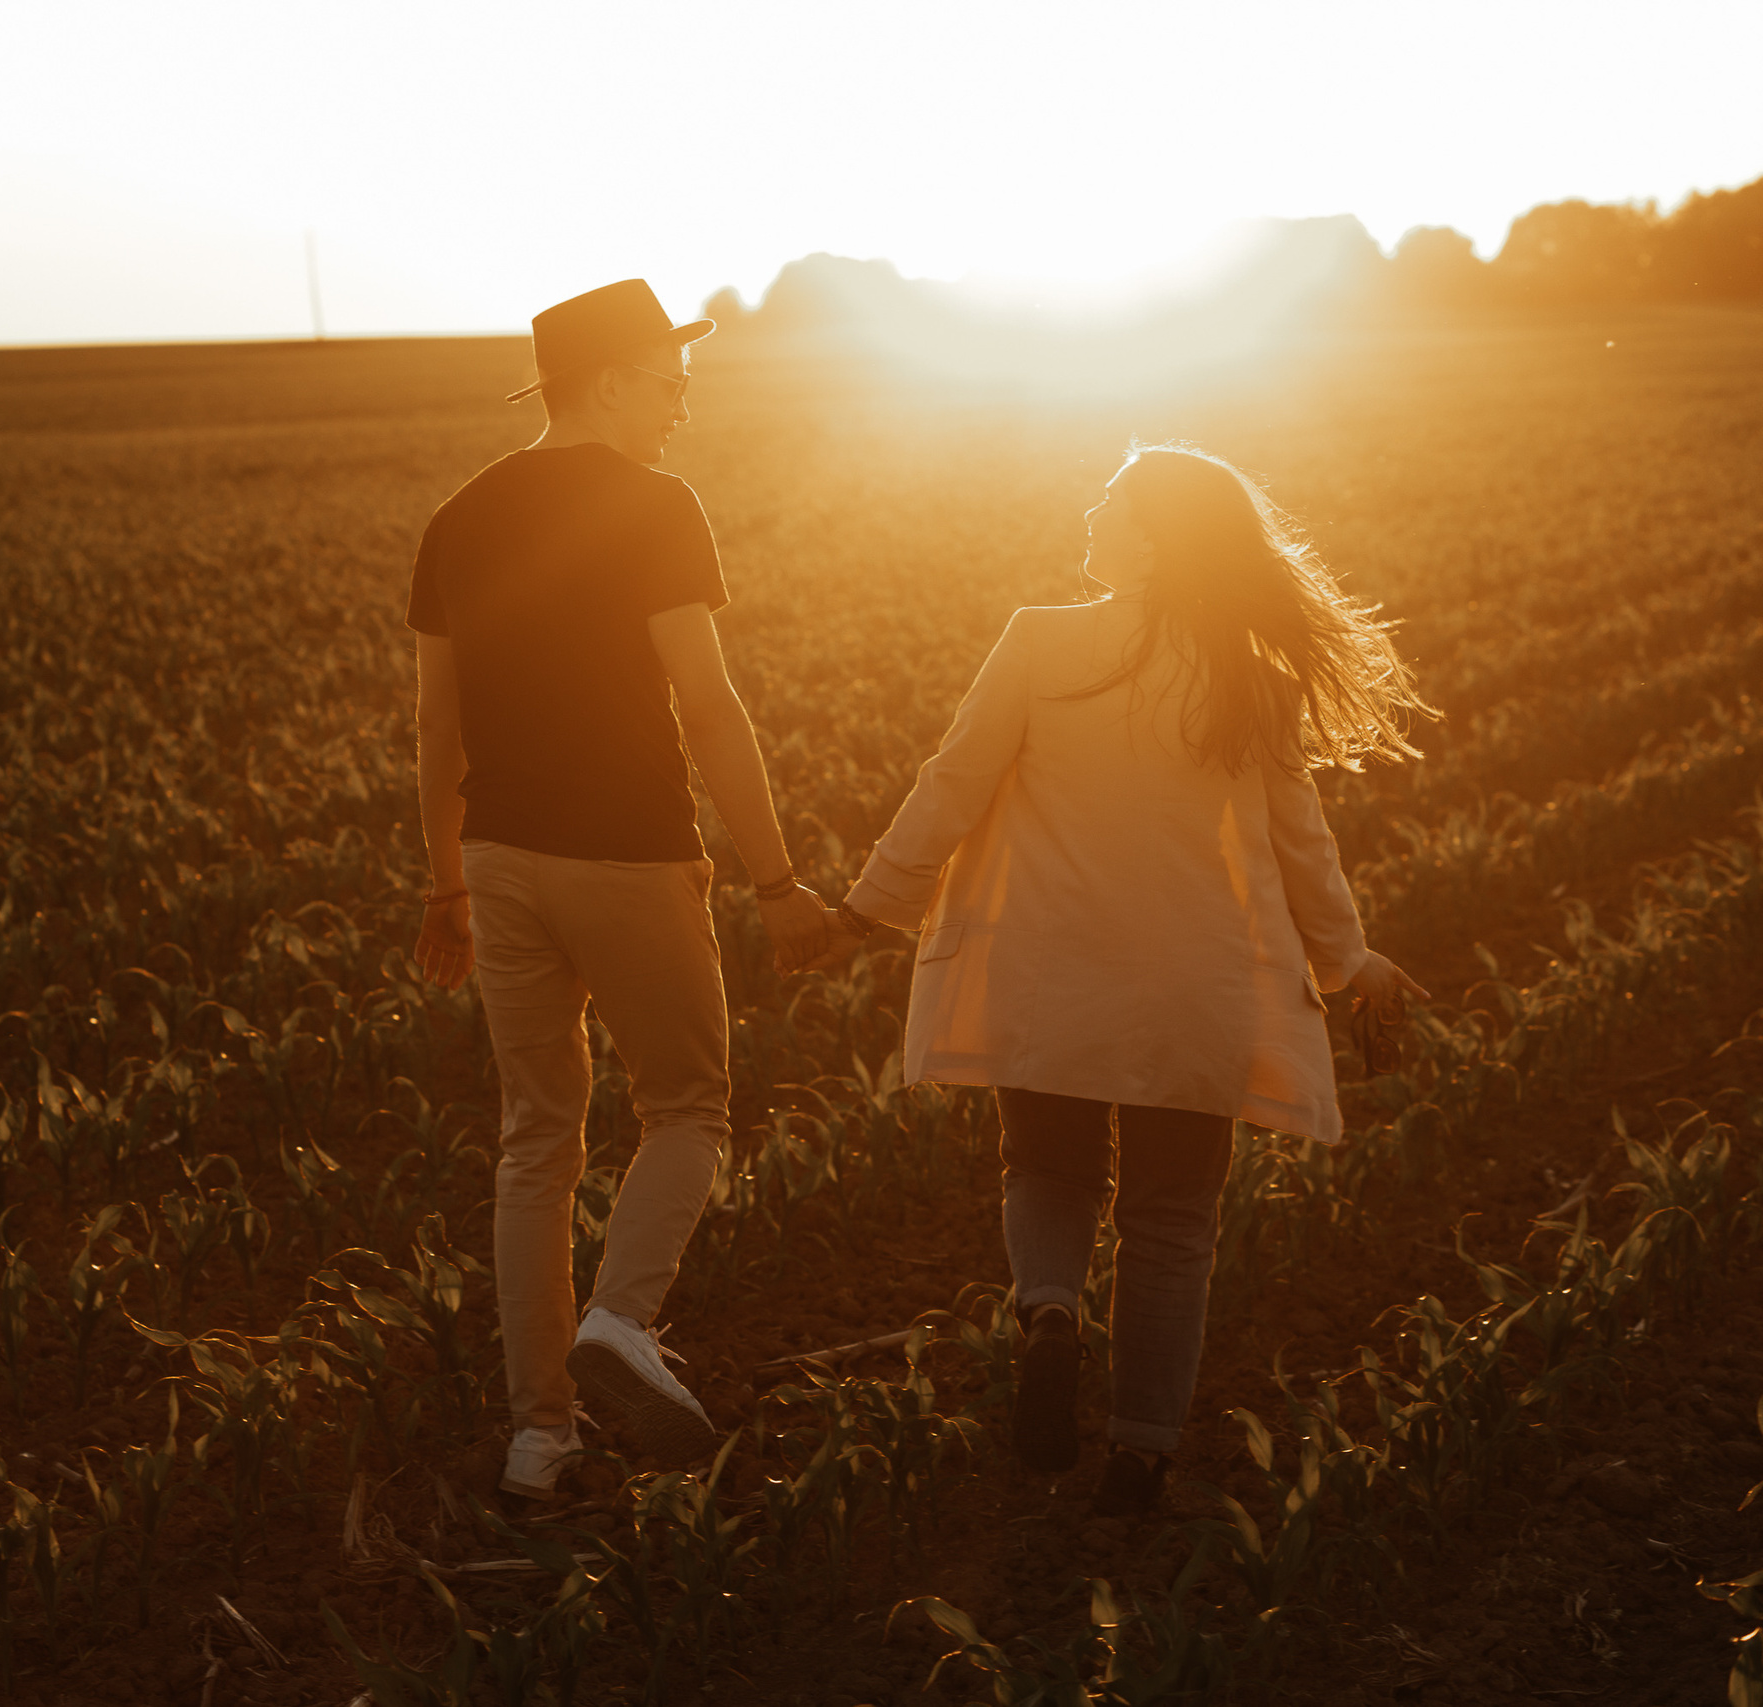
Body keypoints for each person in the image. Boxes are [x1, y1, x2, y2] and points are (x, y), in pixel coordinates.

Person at [831, 442, 1434, 1516]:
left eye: (1111, 501)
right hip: (1194, 991)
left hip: (1045, 970)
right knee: (1171, 1220)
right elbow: (1301, 845)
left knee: (1047, 1167)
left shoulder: (1038, 640)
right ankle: (1142, 1451)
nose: (1090, 513)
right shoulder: (1250, 677)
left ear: (1154, 537)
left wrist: (865, 905)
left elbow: (950, 783)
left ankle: (1051, 1308)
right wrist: (1348, 963)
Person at [405, 279, 837, 1501]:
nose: (682, 407)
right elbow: (709, 705)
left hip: (500, 862)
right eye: (667, 382)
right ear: (604, 383)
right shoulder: (655, 504)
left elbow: (436, 725)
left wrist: (444, 886)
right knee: (688, 1108)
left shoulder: (457, 517)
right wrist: (777, 879)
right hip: (631, 857)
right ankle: (621, 1320)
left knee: (535, 1142)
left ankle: (538, 1437)